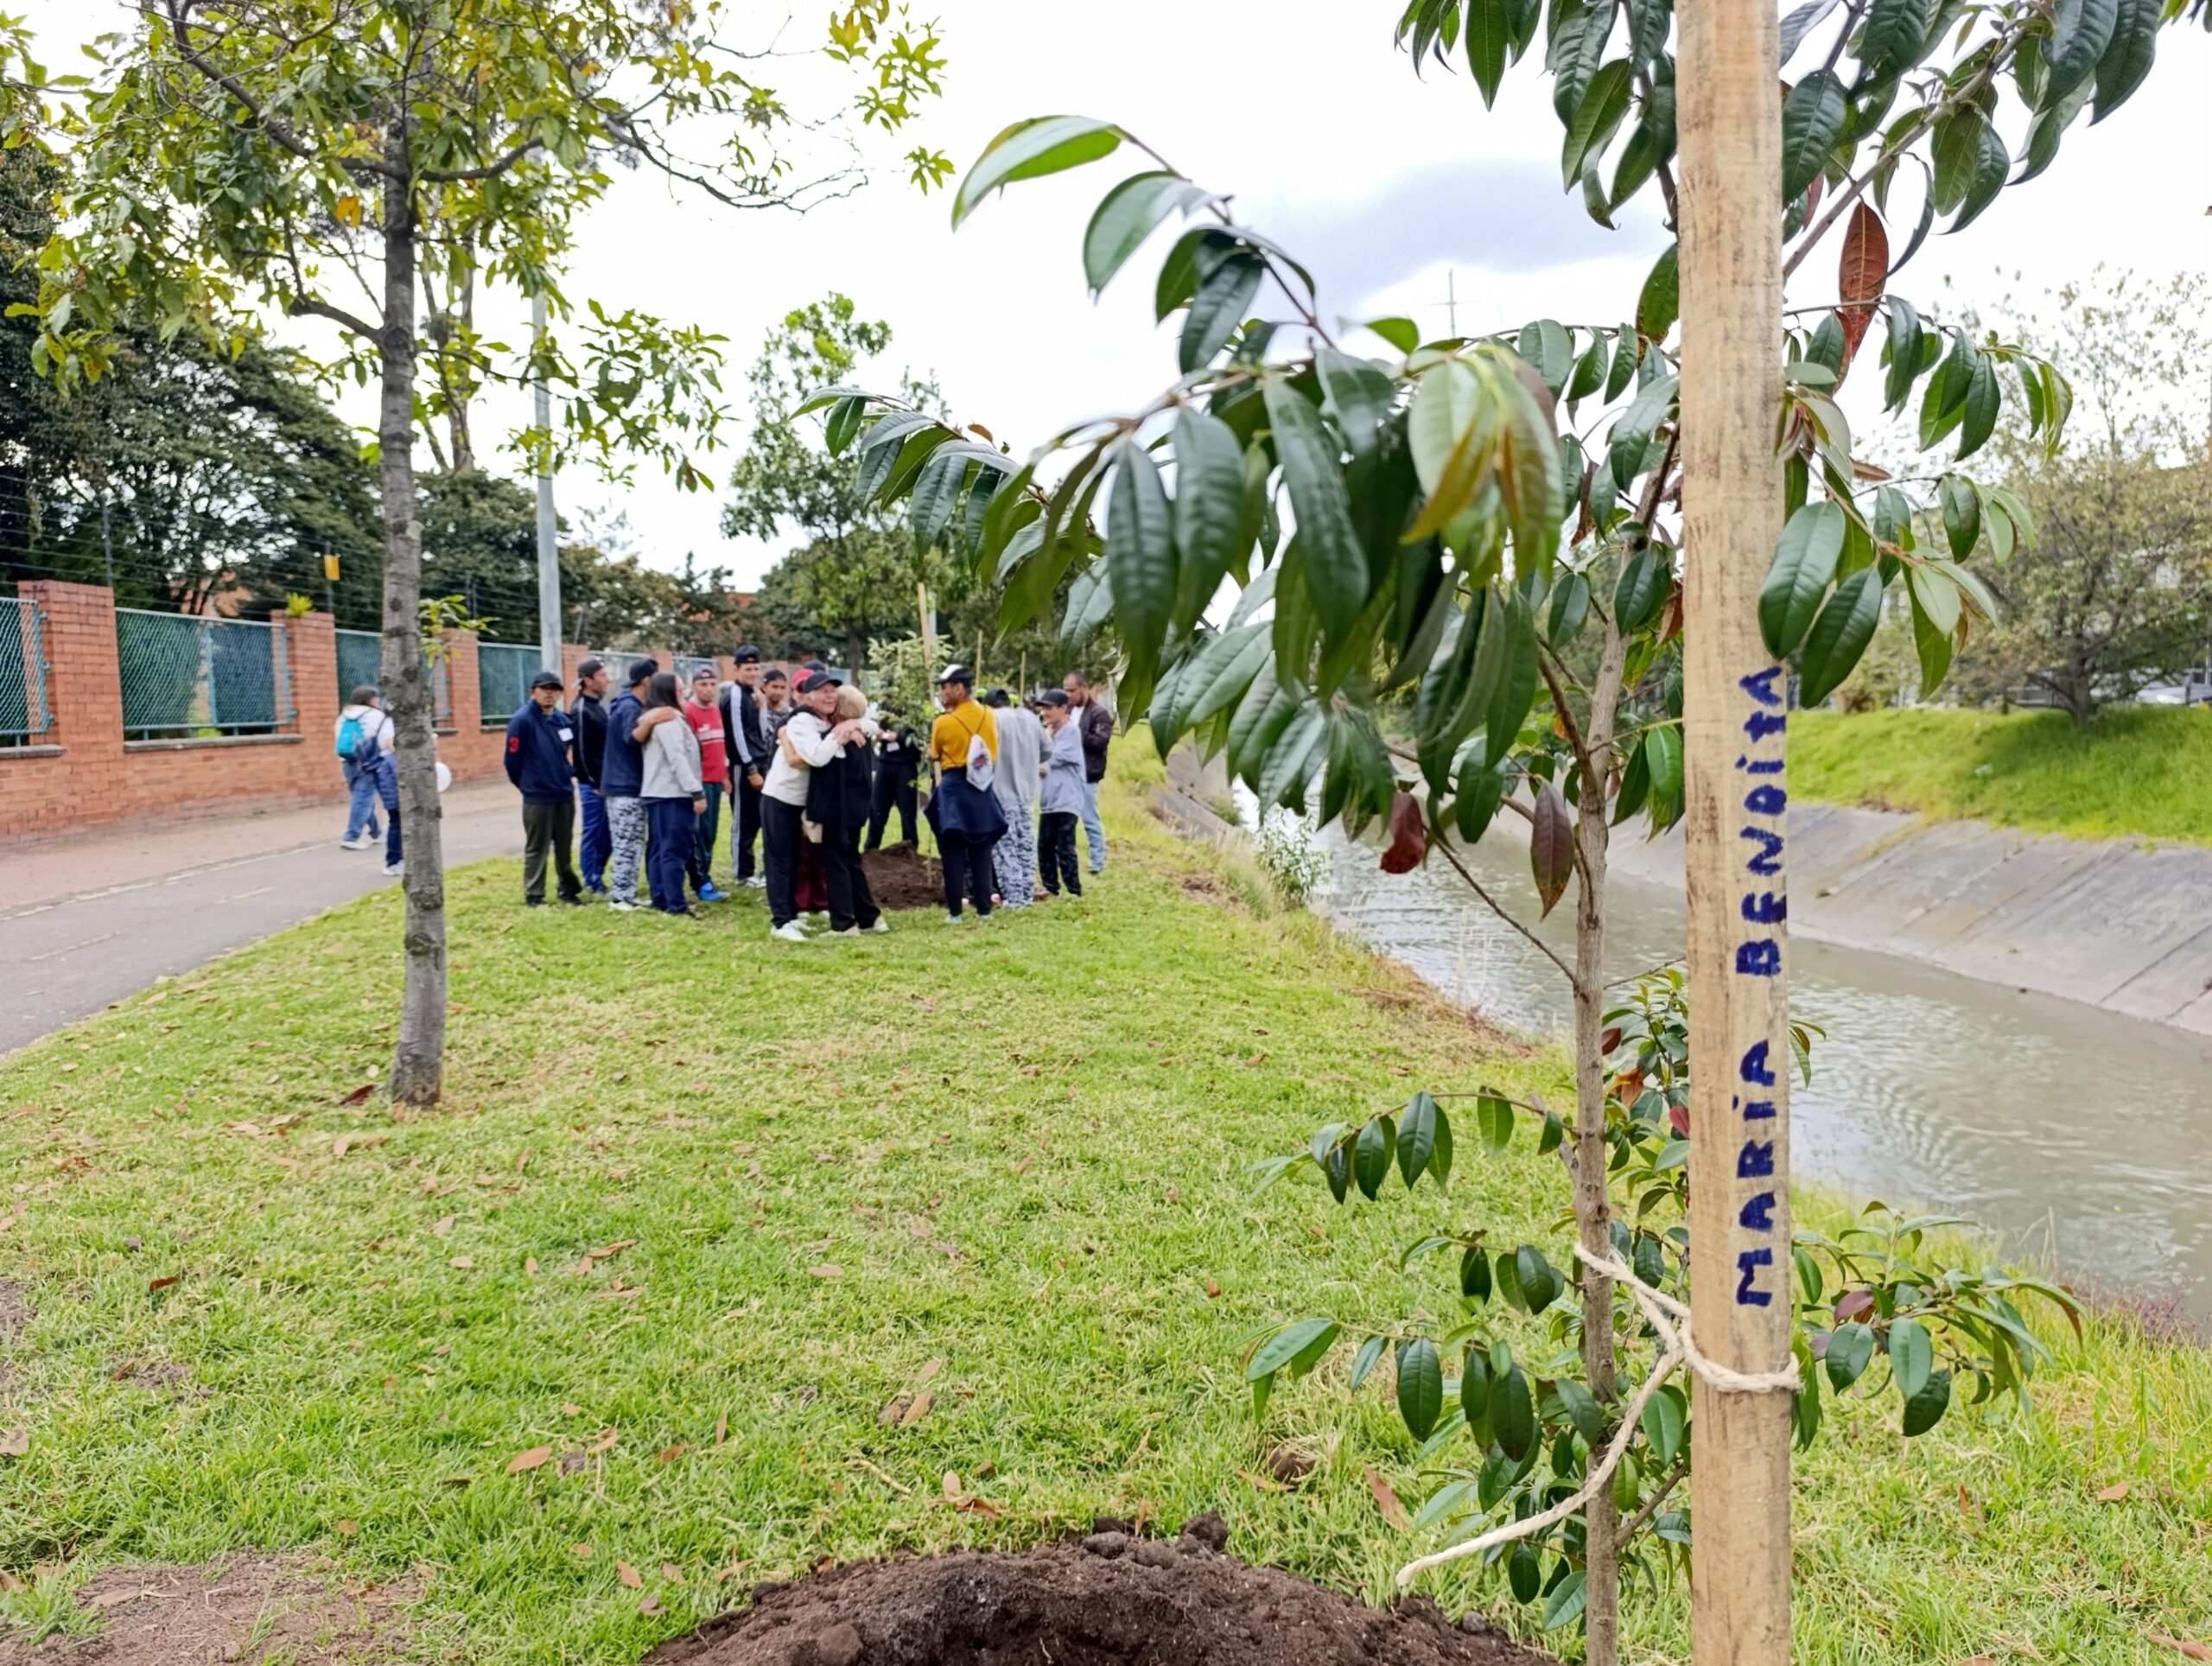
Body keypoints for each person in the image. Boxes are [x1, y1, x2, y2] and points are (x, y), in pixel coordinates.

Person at [761, 669, 868, 941]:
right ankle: (781, 921)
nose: (829, 695)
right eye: (823, 691)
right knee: (780, 860)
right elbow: (818, 757)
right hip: (780, 797)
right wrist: (842, 730)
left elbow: (872, 725)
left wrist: (852, 724)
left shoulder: (826, 722)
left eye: (833, 690)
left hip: (802, 802)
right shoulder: (801, 722)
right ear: (808, 697)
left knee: (796, 859)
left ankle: (791, 916)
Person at [923, 664, 1006, 924]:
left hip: (954, 787)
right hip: (981, 786)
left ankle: (956, 912)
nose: (942, 693)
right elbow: (993, 751)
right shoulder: (989, 716)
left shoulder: (943, 722)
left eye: (945, 688)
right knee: (982, 850)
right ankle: (984, 910)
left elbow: (934, 754)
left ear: (959, 689)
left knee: (952, 852)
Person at [807, 683, 887, 936]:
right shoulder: (860, 737)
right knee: (851, 862)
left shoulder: (840, 738)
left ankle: (843, 923)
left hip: (839, 812)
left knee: (837, 864)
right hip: (856, 810)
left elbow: (819, 755)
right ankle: (870, 918)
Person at [504, 671, 584, 906]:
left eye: (554, 689)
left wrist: (568, 774)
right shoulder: (523, 720)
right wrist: (528, 785)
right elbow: (512, 760)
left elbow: (568, 750)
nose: (549, 693)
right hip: (537, 796)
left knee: (563, 845)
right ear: (533, 691)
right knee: (537, 847)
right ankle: (534, 894)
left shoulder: (561, 719)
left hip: (563, 793)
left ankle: (567, 888)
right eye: (544, 688)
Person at [636, 671, 706, 917]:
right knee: (673, 850)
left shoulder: (657, 718)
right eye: (678, 689)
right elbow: (677, 758)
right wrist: (696, 791)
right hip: (672, 793)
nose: (683, 692)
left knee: (659, 847)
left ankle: (663, 898)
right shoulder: (668, 720)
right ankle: (675, 904)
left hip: (659, 792)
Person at [601, 658, 656, 912]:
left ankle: (628, 893)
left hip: (627, 786)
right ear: (646, 680)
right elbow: (632, 738)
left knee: (634, 841)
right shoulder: (629, 708)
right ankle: (620, 898)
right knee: (625, 842)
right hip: (625, 788)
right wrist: (654, 719)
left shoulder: (630, 705)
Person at [982, 688, 1042, 910]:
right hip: (1027, 793)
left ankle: (1014, 898)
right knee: (1026, 845)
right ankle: (1026, 894)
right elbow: (1047, 749)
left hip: (1000, 793)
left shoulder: (991, 719)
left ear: (988, 705)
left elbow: (983, 754)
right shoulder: (1030, 717)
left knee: (1005, 847)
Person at [718, 646, 770, 888]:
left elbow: (758, 731)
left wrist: (761, 707)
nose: (753, 672)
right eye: (748, 668)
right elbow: (737, 734)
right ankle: (742, 873)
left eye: (756, 668)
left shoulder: (752, 694)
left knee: (758, 818)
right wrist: (750, 769)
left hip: (759, 761)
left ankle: (748, 870)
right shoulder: (735, 695)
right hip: (743, 766)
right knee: (743, 820)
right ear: (737, 669)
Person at [680, 664, 730, 903]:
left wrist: (724, 776)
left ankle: (705, 877)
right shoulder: (688, 711)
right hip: (700, 783)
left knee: (710, 834)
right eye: (703, 684)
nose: (708, 689)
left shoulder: (715, 710)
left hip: (715, 781)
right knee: (700, 835)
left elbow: (718, 747)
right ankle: (701, 881)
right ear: (693, 686)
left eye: (712, 684)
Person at [1037, 690, 1085, 899]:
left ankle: (1074, 890)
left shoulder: (1071, 732)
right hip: (1049, 800)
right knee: (1045, 846)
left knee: (1065, 846)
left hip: (1066, 800)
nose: (1045, 712)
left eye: (1049, 707)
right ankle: (1050, 887)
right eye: (1044, 708)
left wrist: (1045, 740)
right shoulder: (1051, 733)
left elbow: (1051, 759)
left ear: (1063, 708)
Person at [1064, 672, 1114, 874]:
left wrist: (1074, 732)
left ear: (1084, 687)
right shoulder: (1067, 710)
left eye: (1072, 690)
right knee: (1066, 820)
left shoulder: (1099, 714)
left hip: (1087, 774)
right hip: (1067, 773)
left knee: (1090, 819)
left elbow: (1101, 742)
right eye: (1066, 690)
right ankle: (1068, 860)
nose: (1068, 695)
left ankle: (1097, 862)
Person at [571, 658, 611, 893]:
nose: (607, 680)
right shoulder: (581, 710)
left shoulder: (598, 705)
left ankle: (599, 873)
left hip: (606, 782)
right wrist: (595, 783)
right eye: (603, 675)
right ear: (588, 680)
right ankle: (591, 879)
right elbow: (582, 753)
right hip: (593, 786)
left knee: (607, 833)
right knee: (593, 831)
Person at [865, 702, 920, 851]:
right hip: (885, 760)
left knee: (907, 808)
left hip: (906, 764)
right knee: (877, 806)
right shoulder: (884, 705)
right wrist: (880, 733)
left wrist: (898, 737)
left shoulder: (913, 705)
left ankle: (909, 848)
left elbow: (919, 737)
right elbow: (877, 725)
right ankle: (871, 848)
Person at [335, 686, 385, 849]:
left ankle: (376, 832)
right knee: (363, 798)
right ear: (369, 699)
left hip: (347, 761)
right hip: (367, 761)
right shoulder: (375, 715)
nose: (378, 700)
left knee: (361, 798)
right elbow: (384, 738)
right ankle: (351, 836)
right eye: (376, 697)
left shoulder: (344, 715)